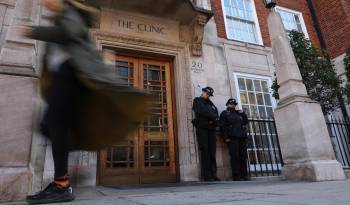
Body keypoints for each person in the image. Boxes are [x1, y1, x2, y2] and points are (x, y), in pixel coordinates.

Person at [25, 0, 151, 204]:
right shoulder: (61, 17)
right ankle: (67, 176)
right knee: (51, 126)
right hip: (65, 76)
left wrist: (33, 30)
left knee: (54, 124)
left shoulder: (69, 14)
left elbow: (69, 33)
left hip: (70, 74)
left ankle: (62, 183)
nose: (44, 2)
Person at [192, 87, 219, 181]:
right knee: (205, 152)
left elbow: (216, 113)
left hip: (211, 129)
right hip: (202, 129)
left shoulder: (211, 104)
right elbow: (202, 111)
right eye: (206, 93)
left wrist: (215, 119)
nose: (207, 96)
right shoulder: (197, 100)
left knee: (212, 151)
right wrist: (214, 118)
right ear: (203, 92)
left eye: (209, 95)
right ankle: (207, 176)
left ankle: (214, 174)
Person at [220, 99, 249, 181]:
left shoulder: (238, 113)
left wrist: (243, 114)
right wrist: (226, 137)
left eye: (234, 104)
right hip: (232, 137)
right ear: (227, 104)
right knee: (235, 156)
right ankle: (236, 175)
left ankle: (244, 175)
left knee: (243, 156)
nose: (233, 105)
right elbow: (223, 126)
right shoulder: (225, 113)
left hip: (242, 137)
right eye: (231, 104)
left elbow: (245, 122)